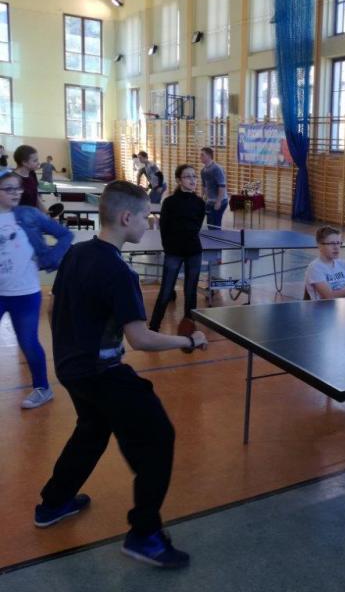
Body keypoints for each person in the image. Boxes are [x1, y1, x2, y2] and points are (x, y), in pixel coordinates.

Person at [36, 180, 207, 569]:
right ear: (127, 217)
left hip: (71, 368)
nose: (149, 223)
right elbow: (140, 339)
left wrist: (72, 349)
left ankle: (53, 503)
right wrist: (188, 341)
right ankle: (144, 535)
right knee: (158, 438)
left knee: (92, 430)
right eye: (146, 216)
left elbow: (53, 307)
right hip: (103, 373)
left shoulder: (77, 253)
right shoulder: (119, 273)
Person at [0, 168, 73, 409]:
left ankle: (43, 388)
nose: (16, 193)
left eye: (18, 188)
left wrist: (49, 258)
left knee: (28, 342)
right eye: (9, 189)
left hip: (25, 293)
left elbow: (65, 235)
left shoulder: (28, 215)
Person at [149, 165, 206, 332]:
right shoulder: (169, 202)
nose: (192, 180)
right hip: (173, 252)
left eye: (194, 176)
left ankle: (189, 329)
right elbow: (164, 229)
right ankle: (153, 328)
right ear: (179, 180)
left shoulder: (200, 203)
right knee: (166, 291)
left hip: (194, 252)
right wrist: (169, 249)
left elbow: (196, 227)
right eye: (188, 176)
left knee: (191, 292)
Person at [305, 225, 345, 300]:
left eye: (338, 243)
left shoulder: (343, 264)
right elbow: (328, 296)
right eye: (331, 243)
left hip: (343, 305)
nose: (336, 247)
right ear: (320, 245)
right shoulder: (315, 268)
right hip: (325, 307)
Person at [199, 147, 227, 229]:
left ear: (209, 156)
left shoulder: (217, 168)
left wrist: (218, 202)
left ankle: (217, 237)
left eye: (202, 155)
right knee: (210, 225)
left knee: (214, 227)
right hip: (210, 201)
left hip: (220, 201)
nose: (200, 157)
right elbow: (204, 186)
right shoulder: (203, 170)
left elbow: (222, 186)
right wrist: (202, 198)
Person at [13, 145, 45, 212]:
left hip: (33, 214)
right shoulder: (13, 179)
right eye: (35, 160)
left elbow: (36, 196)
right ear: (24, 162)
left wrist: (45, 212)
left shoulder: (32, 173)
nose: (38, 163)